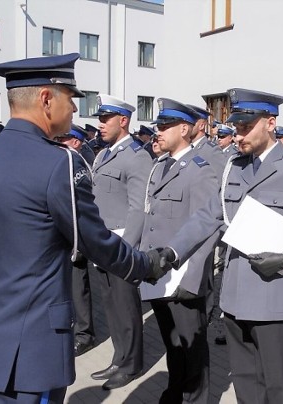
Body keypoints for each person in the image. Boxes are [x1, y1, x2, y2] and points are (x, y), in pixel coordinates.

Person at [0, 53, 167, 403]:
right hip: (34, 354)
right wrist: (146, 264)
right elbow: (96, 241)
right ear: (47, 99)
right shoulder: (58, 163)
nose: (75, 112)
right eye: (70, 99)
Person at [158, 88, 283, 404]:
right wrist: (171, 252)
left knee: (275, 387)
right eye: (236, 127)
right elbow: (209, 215)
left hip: (274, 294)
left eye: (245, 126)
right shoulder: (235, 167)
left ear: (270, 123)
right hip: (235, 295)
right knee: (245, 384)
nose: (238, 134)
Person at [140, 98, 220, 403]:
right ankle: (175, 391)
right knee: (172, 344)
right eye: (158, 126)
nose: (158, 132)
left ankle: (194, 398)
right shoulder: (161, 166)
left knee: (192, 349)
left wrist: (192, 280)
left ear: (184, 129)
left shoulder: (199, 171)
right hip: (159, 274)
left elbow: (207, 228)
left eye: (165, 126)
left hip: (182, 278)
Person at [90, 94, 154, 389]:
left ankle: (131, 364)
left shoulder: (137, 156)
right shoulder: (103, 154)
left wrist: (126, 250)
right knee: (111, 305)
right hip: (103, 244)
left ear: (123, 121)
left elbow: (138, 207)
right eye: (100, 119)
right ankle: (119, 357)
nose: (100, 125)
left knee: (127, 308)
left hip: (121, 245)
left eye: (106, 119)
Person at [52, 124, 97, 357]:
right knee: (67, 287)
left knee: (79, 287)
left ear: (77, 142)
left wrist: (80, 242)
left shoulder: (77, 163)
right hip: (61, 236)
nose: (61, 142)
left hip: (75, 237)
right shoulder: (62, 161)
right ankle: (73, 327)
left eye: (66, 139)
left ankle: (85, 334)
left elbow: (81, 206)